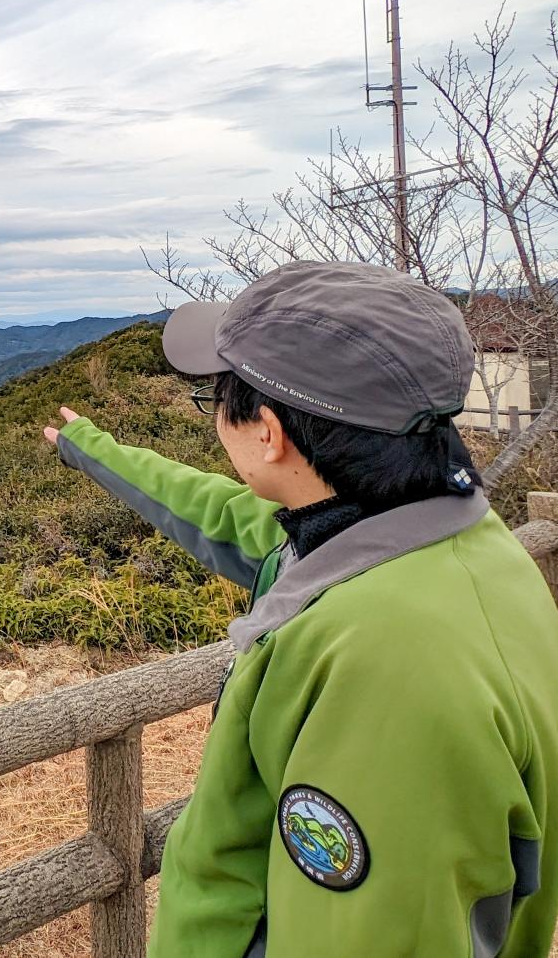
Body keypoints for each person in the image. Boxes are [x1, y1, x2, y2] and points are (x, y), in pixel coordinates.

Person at [42, 261, 558, 957]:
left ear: (270, 433)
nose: (213, 418)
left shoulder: (384, 668)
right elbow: (223, 515)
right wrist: (94, 450)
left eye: (216, 400)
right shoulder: (438, 533)